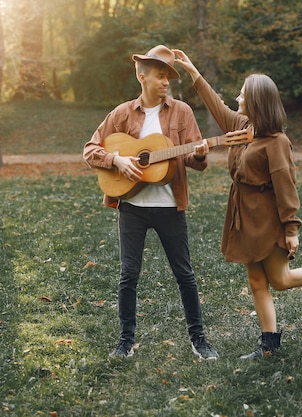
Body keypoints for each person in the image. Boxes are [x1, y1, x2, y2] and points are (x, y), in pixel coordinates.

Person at [173, 49, 302, 359]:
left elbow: (285, 186)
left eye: (243, 94)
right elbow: (217, 106)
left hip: (267, 219)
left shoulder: (276, 142)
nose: (237, 98)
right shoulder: (245, 127)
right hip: (243, 217)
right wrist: (194, 72)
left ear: (257, 101)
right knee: (257, 280)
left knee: (281, 279)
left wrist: (291, 228)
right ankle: (268, 346)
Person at [83, 45, 218, 360]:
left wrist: (199, 154)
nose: (166, 82)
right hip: (132, 208)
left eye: (168, 77)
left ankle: (199, 340)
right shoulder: (122, 113)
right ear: (141, 76)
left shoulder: (182, 112)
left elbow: (197, 160)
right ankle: (125, 341)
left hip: (170, 207)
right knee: (128, 274)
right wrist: (116, 160)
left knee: (184, 274)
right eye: (159, 75)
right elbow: (90, 149)